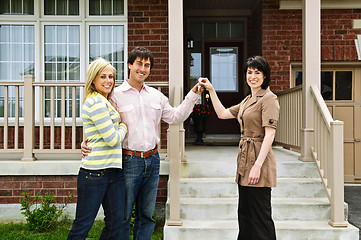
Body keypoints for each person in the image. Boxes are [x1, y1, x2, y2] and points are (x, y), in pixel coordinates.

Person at [82, 47, 203, 240]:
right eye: (139, 63)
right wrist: (86, 141)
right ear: (129, 65)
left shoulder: (156, 96)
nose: (143, 68)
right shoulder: (114, 95)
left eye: (147, 65)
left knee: (146, 215)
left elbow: (175, 116)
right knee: (123, 216)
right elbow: (99, 122)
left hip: (152, 160)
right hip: (128, 161)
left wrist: (193, 94)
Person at [199, 56, 279, 240]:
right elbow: (222, 113)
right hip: (244, 160)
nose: (253, 76)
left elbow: (270, 135)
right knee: (245, 215)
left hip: (259, 160)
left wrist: (257, 166)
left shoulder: (269, 98)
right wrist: (211, 90)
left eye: (257, 72)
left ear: (265, 76)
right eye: (249, 72)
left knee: (260, 217)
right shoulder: (247, 100)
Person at [68, 58, 128, 240]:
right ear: (93, 79)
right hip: (94, 174)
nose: (108, 80)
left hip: (113, 171)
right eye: (103, 76)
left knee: (115, 222)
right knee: (83, 225)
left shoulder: (105, 101)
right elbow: (111, 139)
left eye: (111, 76)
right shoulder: (95, 102)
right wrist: (124, 126)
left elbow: (95, 134)